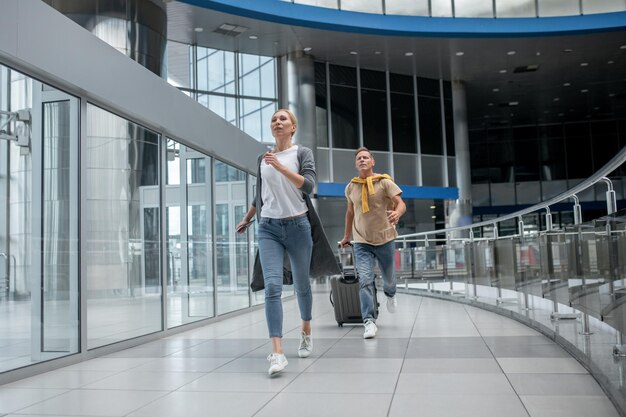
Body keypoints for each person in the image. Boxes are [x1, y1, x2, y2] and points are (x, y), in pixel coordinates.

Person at [237, 109, 338, 376]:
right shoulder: (262, 158)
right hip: (268, 227)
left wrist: (281, 167)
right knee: (272, 285)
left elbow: (309, 186)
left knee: (302, 284)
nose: (277, 122)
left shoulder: (301, 154)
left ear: (293, 127)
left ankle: (306, 329)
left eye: (283, 119)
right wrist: (247, 218)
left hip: (298, 227)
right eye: (274, 119)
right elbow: (259, 194)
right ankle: (277, 352)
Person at [340, 147, 406, 339]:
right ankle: (369, 321)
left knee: (389, 278)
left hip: (385, 238)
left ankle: (391, 294)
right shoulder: (351, 187)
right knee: (365, 280)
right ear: (356, 163)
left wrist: (397, 213)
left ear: (372, 161)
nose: (362, 160)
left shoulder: (384, 182)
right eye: (359, 158)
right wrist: (346, 236)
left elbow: (401, 203)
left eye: (366, 157)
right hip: (361, 240)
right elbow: (350, 213)